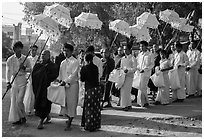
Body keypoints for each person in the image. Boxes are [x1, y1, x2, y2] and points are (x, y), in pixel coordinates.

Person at [6, 41, 31, 125]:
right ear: (14, 49)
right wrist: (8, 82)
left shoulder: (25, 59)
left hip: (22, 81)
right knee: (14, 100)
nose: (19, 50)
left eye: (20, 48)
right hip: (14, 81)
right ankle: (17, 118)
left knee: (19, 100)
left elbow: (30, 69)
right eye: (17, 48)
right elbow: (8, 72)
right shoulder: (10, 59)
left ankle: (23, 116)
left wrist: (24, 68)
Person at [32, 50, 58, 129]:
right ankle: (48, 117)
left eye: (44, 55)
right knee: (39, 103)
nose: (42, 56)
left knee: (45, 104)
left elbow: (54, 75)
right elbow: (34, 75)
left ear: (48, 56)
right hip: (38, 88)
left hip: (47, 88)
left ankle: (41, 122)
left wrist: (45, 76)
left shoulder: (52, 66)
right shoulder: (38, 65)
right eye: (42, 54)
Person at [57, 43, 80, 131]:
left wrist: (65, 81)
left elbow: (73, 75)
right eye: (64, 51)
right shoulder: (63, 62)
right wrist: (59, 80)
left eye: (67, 51)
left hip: (72, 86)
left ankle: (69, 123)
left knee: (72, 104)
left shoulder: (75, 62)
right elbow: (60, 74)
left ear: (71, 52)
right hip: (64, 86)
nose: (65, 53)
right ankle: (69, 119)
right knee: (65, 103)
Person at [80, 53, 101, 132]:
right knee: (95, 107)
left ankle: (88, 125)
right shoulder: (95, 67)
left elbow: (82, 79)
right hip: (96, 89)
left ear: (86, 60)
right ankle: (96, 124)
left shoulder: (84, 68)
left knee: (89, 108)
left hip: (89, 89)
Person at [136, 41, 154, 107]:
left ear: (146, 46)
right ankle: (142, 102)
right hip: (139, 73)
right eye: (140, 46)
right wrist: (138, 69)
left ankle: (144, 102)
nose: (141, 47)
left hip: (146, 73)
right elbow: (137, 63)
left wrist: (145, 69)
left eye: (142, 46)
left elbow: (152, 64)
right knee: (140, 87)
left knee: (143, 87)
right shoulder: (139, 55)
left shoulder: (150, 54)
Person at [120, 44, 137, 111]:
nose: (125, 51)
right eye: (124, 49)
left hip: (129, 76)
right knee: (123, 90)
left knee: (126, 90)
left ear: (130, 50)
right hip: (123, 76)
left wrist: (128, 70)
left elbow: (135, 68)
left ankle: (125, 105)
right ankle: (128, 104)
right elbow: (121, 67)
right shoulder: (123, 58)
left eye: (126, 49)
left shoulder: (132, 58)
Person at [24, 45, 38, 115]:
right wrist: (29, 70)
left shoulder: (38, 58)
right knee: (29, 92)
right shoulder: (27, 59)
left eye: (35, 50)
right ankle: (28, 108)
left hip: (36, 77)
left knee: (35, 93)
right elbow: (24, 68)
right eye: (32, 50)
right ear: (30, 51)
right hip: (29, 77)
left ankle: (35, 108)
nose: (34, 51)